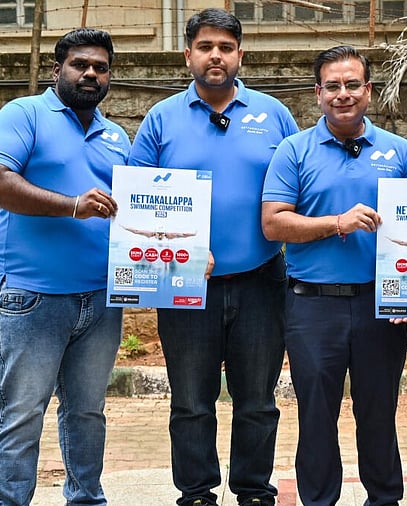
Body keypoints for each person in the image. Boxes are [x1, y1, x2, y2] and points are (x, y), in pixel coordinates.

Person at [129, 9, 298, 506]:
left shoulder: (274, 115)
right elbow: (139, 196)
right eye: (205, 47)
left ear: (240, 54)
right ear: (188, 55)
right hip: (184, 284)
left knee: (257, 402)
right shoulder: (161, 118)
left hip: (261, 280)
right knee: (190, 403)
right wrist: (172, 250)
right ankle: (197, 492)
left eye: (226, 47)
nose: (216, 55)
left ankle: (253, 491)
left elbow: (298, 186)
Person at [0, 29, 128, 506]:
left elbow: (139, 209)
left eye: (100, 68)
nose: (90, 74)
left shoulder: (116, 135)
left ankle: (86, 498)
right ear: (57, 69)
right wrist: (72, 205)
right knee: (23, 412)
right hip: (32, 294)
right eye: (80, 64)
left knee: (87, 412)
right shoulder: (25, 114)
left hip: (101, 299)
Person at [261, 45, 407, 506]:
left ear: (369, 90)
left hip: (380, 305)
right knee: (316, 415)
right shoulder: (294, 150)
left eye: (352, 85)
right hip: (312, 306)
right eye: (333, 86)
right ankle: (319, 500)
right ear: (317, 93)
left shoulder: (399, 151)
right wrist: (336, 222)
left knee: (379, 414)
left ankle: (385, 498)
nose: (343, 94)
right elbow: (273, 223)